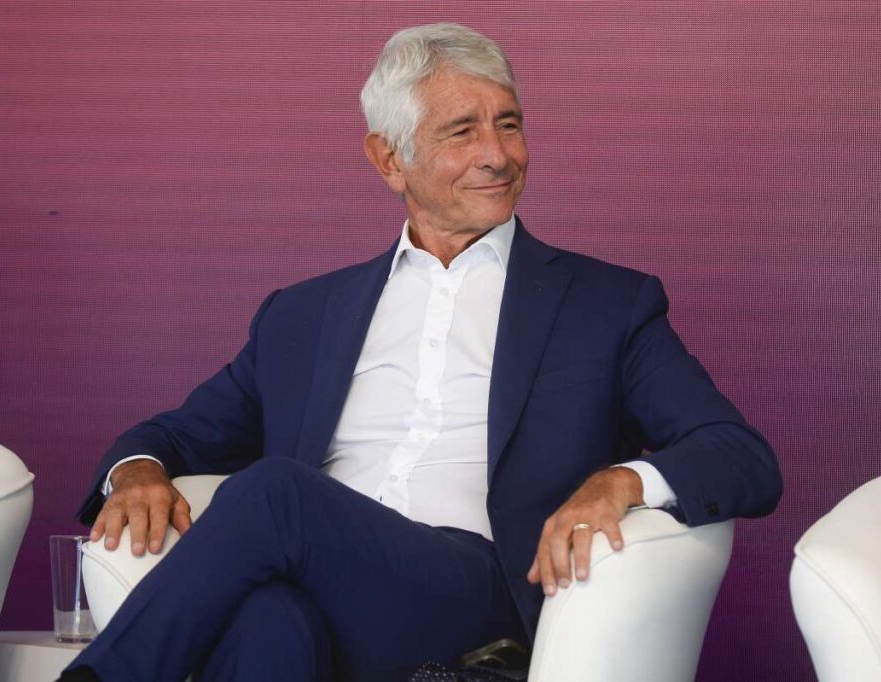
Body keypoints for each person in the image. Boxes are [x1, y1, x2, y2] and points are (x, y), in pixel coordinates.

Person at [63, 22, 782, 682]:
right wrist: (137, 471)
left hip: (479, 593)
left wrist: (621, 481)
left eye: (509, 124)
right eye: (462, 131)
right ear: (389, 158)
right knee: (268, 621)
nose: (498, 155)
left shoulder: (604, 305)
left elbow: (739, 455)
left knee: (274, 493)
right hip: (321, 585)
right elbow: (172, 436)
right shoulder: (303, 316)